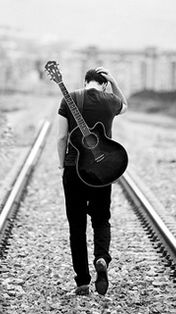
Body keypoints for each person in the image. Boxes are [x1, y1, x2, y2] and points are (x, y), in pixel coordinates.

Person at [57, 66, 128, 295]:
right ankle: (101, 257)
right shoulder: (110, 100)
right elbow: (124, 105)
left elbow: (61, 137)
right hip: (101, 172)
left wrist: (62, 163)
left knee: (77, 227)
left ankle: (83, 283)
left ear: (85, 81)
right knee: (101, 219)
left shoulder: (70, 99)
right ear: (104, 83)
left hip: (74, 169)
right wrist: (114, 82)